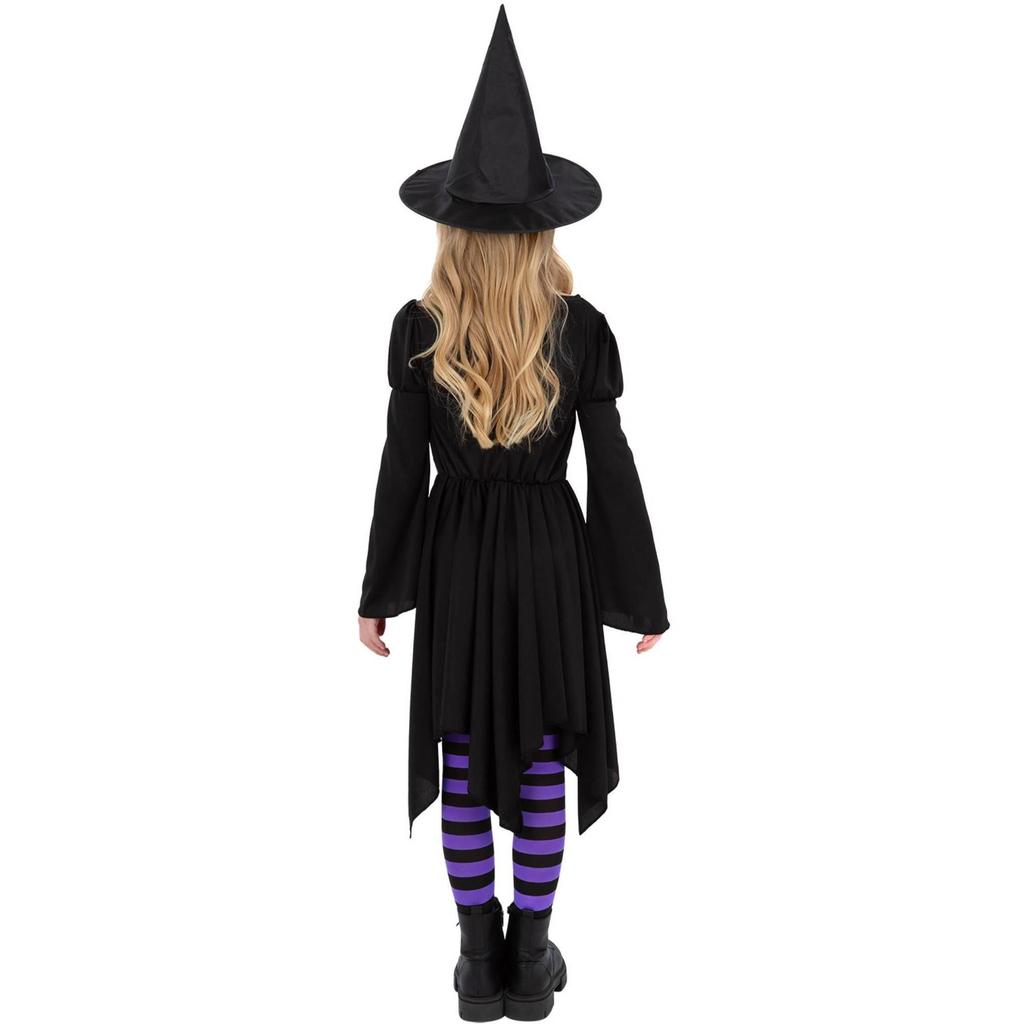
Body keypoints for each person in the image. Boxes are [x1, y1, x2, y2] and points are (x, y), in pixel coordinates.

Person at [357, 7, 668, 1020]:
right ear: (543, 227)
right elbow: (610, 467)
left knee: (460, 748)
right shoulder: (581, 329)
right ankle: (530, 963)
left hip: (455, 553)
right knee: (539, 751)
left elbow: (401, 471)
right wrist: (639, 598)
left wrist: (379, 592)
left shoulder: (420, 328)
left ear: (450, 227)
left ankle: (475, 963)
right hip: (546, 556)